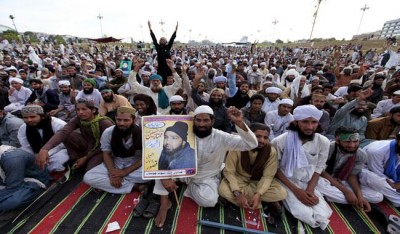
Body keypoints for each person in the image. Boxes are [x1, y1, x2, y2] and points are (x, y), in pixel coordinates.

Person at [153, 105, 258, 227]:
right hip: (180, 171)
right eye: (198, 120)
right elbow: (159, 155)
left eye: (206, 120)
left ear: (212, 121)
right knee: (159, 170)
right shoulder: (184, 135)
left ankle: (190, 186)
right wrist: (164, 178)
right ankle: (164, 203)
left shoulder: (221, 137)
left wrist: (239, 122)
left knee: (210, 201)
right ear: (193, 120)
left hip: (205, 177)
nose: (201, 124)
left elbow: (251, 144)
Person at [271, 105, 332, 229]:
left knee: (323, 214)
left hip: (309, 181)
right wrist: (296, 191)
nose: (310, 127)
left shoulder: (323, 142)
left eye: (314, 122)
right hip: (287, 181)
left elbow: (319, 167)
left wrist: (309, 190)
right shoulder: (280, 141)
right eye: (305, 122)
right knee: (304, 214)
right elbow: (274, 169)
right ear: (296, 122)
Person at [218, 123, 287, 212]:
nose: (261, 140)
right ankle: (262, 202)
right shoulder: (237, 147)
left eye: (265, 138)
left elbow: (267, 176)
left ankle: (245, 200)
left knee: (281, 193)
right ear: (249, 136)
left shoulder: (271, 152)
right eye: (257, 136)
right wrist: (237, 193)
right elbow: (229, 172)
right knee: (223, 190)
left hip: (257, 182)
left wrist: (258, 193)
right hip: (239, 179)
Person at [37, 99, 114, 171]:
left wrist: (86, 158)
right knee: (66, 134)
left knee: (90, 169)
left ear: (93, 110)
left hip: (101, 149)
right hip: (87, 146)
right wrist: (44, 149)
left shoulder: (104, 123)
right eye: (78, 110)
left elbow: (107, 145)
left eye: (84, 109)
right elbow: (63, 132)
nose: (80, 112)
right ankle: (76, 158)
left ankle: (86, 160)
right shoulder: (78, 119)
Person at [83, 106, 146, 194]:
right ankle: (135, 186)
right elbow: (107, 154)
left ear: (134, 120)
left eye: (126, 120)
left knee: (152, 174)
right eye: (119, 120)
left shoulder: (143, 132)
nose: (121, 123)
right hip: (116, 162)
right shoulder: (109, 132)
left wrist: (125, 172)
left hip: (136, 164)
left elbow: (146, 156)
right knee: (88, 177)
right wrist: (113, 174)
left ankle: (112, 184)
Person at [318, 127, 383, 211]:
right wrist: (346, 191)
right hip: (323, 178)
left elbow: (352, 175)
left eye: (355, 141)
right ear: (338, 141)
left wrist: (360, 195)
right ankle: (349, 198)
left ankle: (353, 199)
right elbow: (320, 171)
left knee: (378, 197)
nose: (352, 145)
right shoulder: (328, 148)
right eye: (347, 142)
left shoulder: (361, 154)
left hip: (342, 179)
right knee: (319, 184)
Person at [18, 105, 69, 172]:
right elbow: (26, 145)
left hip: (58, 150)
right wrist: (35, 156)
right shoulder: (24, 127)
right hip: (37, 153)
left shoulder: (57, 124)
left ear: (42, 116)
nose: (29, 120)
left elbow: (64, 144)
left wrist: (46, 153)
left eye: (32, 117)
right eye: (25, 118)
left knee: (57, 162)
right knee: (19, 157)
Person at [363, 133, 400, 207]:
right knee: (375, 181)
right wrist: (395, 186)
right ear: (397, 139)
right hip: (365, 172)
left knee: (377, 196)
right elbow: (378, 175)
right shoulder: (377, 151)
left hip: (386, 178)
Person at [148, 20, 178, 86]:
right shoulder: (158, 47)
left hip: (168, 67)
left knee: (169, 82)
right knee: (161, 82)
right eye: (161, 39)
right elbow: (154, 39)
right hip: (160, 67)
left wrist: (175, 30)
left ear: (166, 41)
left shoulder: (168, 47)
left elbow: (172, 39)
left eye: (163, 39)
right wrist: (150, 29)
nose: (162, 40)